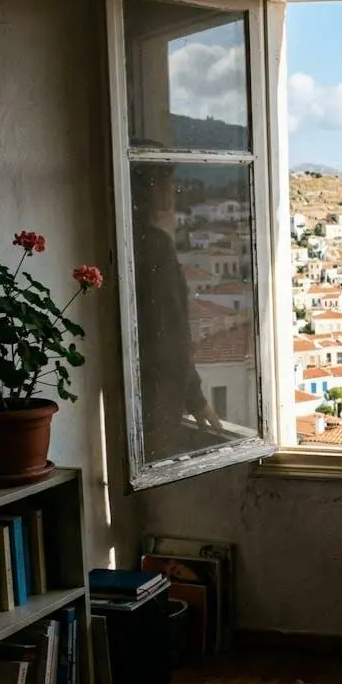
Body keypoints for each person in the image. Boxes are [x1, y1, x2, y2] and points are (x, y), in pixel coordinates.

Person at [130, 153, 224, 460]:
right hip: (157, 398)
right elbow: (170, 329)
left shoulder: (130, 240)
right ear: (152, 191)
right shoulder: (153, 246)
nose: (173, 194)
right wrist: (195, 398)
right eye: (168, 186)